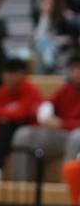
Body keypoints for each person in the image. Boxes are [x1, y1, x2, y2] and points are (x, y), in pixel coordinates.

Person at [11, 53, 80, 181]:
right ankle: (22, 188)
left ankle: (67, 189)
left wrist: (62, 124)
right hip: (61, 136)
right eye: (73, 69)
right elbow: (47, 104)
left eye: (79, 68)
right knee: (23, 134)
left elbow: (66, 125)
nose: (76, 73)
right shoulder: (65, 90)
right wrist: (41, 112)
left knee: (77, 137)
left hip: (74, 136)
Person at [31, 0, 77, 73]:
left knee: (47, 48)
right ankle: (49, 67)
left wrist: (54, 40)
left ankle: (49, 67)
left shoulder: (63, 17)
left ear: (56, 3)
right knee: (43, 44)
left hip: (59, 47)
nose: (48, 4)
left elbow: (69, 39)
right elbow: (37, 37)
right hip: (42, 47)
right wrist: (45, 16)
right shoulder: (37, 14)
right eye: (45, 1)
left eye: (50, 1)